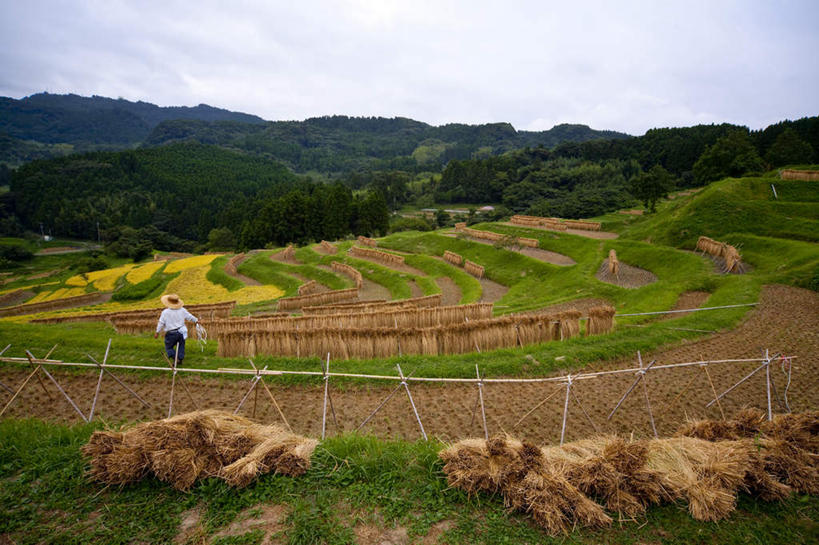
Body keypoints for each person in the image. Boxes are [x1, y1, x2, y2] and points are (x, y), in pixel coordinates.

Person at [154, 294, 199, 366]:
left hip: (171, 333)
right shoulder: (182, 310)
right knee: (181, 346)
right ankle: (180, 358)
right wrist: (196, 320)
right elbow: (189, 317)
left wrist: (157, 332)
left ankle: (176, 358)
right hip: (181, 332)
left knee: (169, 347)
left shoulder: (165, 312)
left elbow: (161, 323)